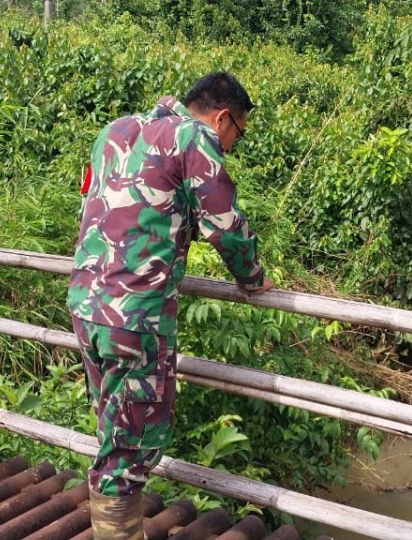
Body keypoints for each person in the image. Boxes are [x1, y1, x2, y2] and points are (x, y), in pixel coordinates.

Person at [68, 71, 275, 539]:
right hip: (136, 315)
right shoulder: (195, 137)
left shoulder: (117, 129)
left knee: (114, 428)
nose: (231, 145)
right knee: (134, 441)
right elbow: (223, 224)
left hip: (87, 304)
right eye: (237, 134)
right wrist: (252, 277)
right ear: (223, 117)